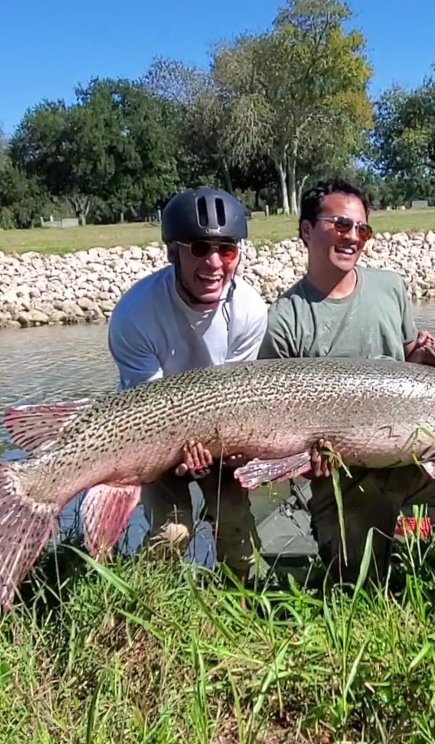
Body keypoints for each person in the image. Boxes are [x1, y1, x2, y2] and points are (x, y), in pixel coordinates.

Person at [259, 178, 435, 588]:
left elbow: (406, 362)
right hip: (344, 476)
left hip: (411, 456)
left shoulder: (390, 288)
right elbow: (273, 422)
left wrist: (423, 355)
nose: (353, 237)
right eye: (340, 225)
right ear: (306, 230)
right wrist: (306, 456)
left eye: (362, 229)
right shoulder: (284, 320)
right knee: (362, 586)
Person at [107, 185, 268, 581]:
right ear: (171, 251)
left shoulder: (249, 309)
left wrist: (234, 449)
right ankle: (147, 603)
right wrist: (179, 455)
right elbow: (146, 412)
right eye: (199, 248)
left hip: (221, 429)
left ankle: (240, 603)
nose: (214, 263)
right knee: (173, 531)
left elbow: (238, 395)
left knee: (237, 533)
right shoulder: (134, 315)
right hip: (150, 432)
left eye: (226, 250)